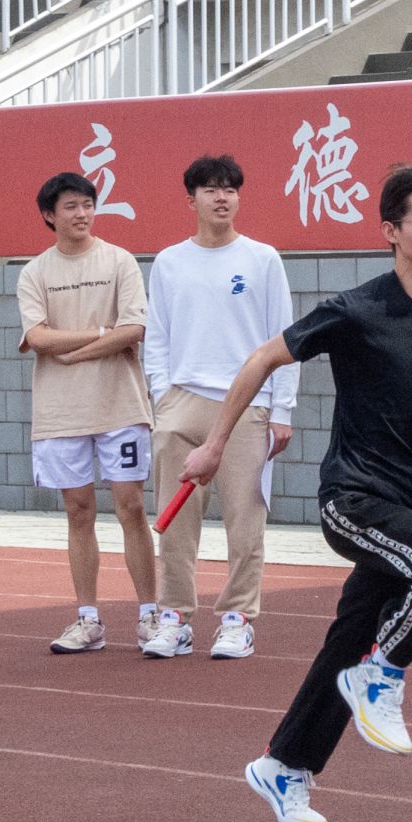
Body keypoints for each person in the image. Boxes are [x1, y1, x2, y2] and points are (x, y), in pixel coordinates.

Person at [179, 161, 412, 822]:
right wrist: (216, 444)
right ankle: (382, 674)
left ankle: (285, 765)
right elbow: (262, 359)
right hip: (353, 500)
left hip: (411, 507)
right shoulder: (357, 309)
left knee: (350, 637)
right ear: (391, 230)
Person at [141, 154, 298, 661]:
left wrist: (281, 409)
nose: (222, 197)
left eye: (230, 188)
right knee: (176, 521)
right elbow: (157, 336)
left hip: (248, 405)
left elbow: (284, 338)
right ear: (191, 200)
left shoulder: (262, 259)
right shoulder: (169, 262)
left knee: (245, 521)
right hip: (182, 401)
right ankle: (174, 617)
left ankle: (237, 618)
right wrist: (163, 396)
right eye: (210, 189)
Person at [16, 171, 162, 654]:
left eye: (87, 204)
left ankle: (150, 615)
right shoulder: (35, 272)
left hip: (120, 404)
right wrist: (101, 334)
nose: (82, 214)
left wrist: (76, 350)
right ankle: (88, 620)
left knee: (131, 506)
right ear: (49, 215)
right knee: (78, 511)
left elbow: (134, 329)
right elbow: (38, 337)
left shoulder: (119, 261)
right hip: (61, 412)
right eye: (71, 207)